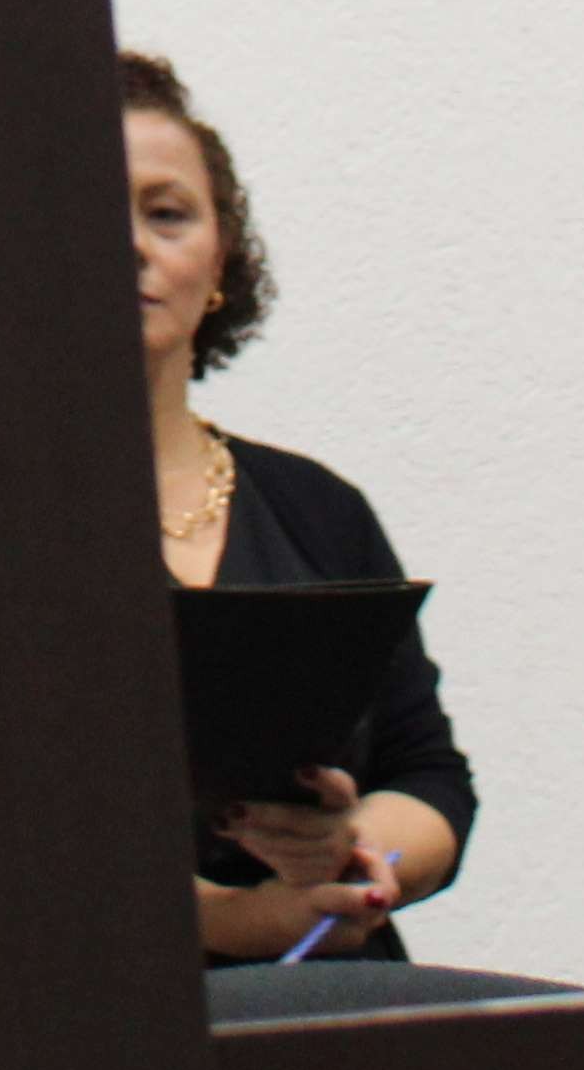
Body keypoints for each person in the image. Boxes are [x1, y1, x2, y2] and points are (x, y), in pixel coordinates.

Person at [133, 48, 472, 965]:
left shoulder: (316, 508)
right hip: (92, 1013)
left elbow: (429, 775)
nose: (132, 245)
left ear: (219, 262)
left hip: (332, 1000)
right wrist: (244, 920)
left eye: (167, 214)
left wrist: (354, 856)